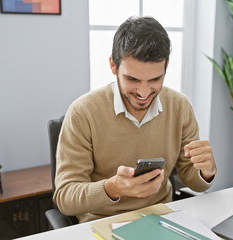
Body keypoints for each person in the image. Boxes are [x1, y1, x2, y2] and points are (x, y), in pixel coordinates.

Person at [53, 16, 217, 223]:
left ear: (166, 65)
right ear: (113, 65)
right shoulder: (82, 112)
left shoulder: (180, 106)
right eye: (132, 79)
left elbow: (195, 182)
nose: (143, 92)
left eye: (155, 79)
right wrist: (112, 188)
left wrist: (207, 172)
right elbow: (65, 198)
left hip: (161, 219)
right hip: (103, 223)